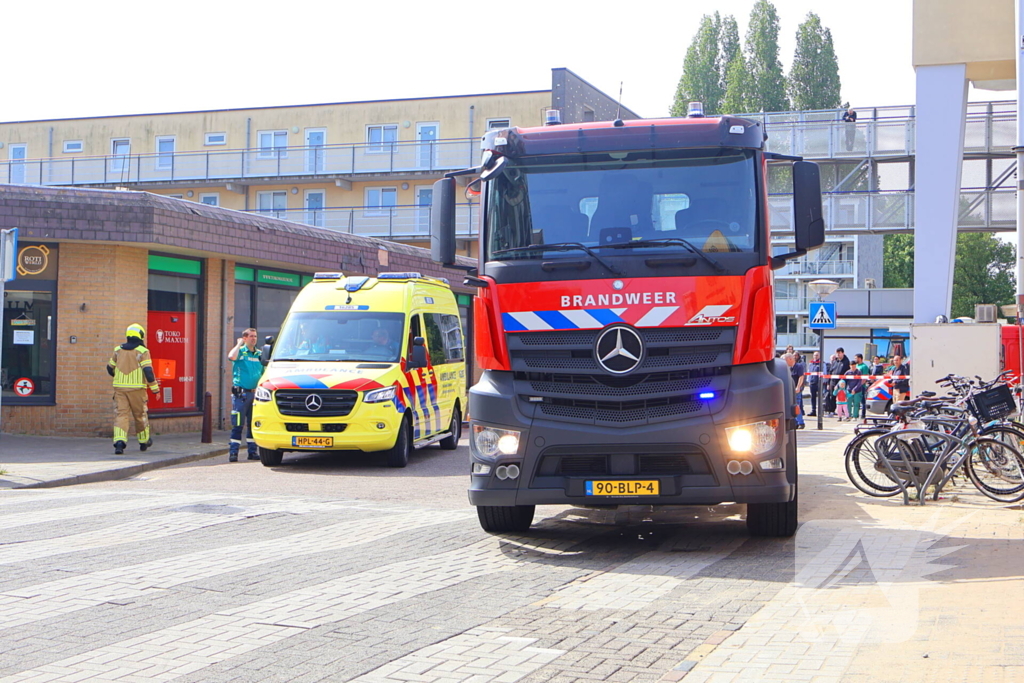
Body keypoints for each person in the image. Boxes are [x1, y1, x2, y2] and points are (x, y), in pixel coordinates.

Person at [107, 323, 160, 455]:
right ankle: (143, 441)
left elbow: (109, 368)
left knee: (121, 415)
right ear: (141, 335)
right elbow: (148, 371)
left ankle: (119, 442)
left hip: (120, 389)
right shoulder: (142, 351)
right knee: (140, 415)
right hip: (137, 389)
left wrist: (118, 376)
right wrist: (155, 389)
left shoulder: (118, 350)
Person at [228, 328, 263, 462]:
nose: (254, 339)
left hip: (256, 395)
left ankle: (252, 452)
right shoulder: (240, 352)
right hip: (241, 395)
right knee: (237, 424)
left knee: (253, 424)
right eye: (251, 336)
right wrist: (238, 345)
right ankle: (233, 453)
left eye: (255, 336)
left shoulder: (259, 354)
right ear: (245, 338)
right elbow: (231, 356)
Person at [827, 348, 851, 416]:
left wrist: (842, 383)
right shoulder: (835, 361)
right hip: (833, 381)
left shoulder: (846, 362)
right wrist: (828, 383)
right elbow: (830, 372)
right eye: (837, 353)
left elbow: (846, 373)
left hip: (841, 383)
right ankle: (831, 411)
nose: (838, 355)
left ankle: (843, 411)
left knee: (842, 397)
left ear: (843, 353)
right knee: (832, 396)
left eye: (839, 353)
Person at [807, 351, 821, 417]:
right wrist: (808, 381)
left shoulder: (821, 363)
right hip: (812, 382)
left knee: (820, 398)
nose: (816, 356)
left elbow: (824, 372)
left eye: (817, 355)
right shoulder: (811, 363)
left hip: (819, 383)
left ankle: (821, 411)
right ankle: (813, 410)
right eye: (815, 355)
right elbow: (809, 372)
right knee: (813, 397)